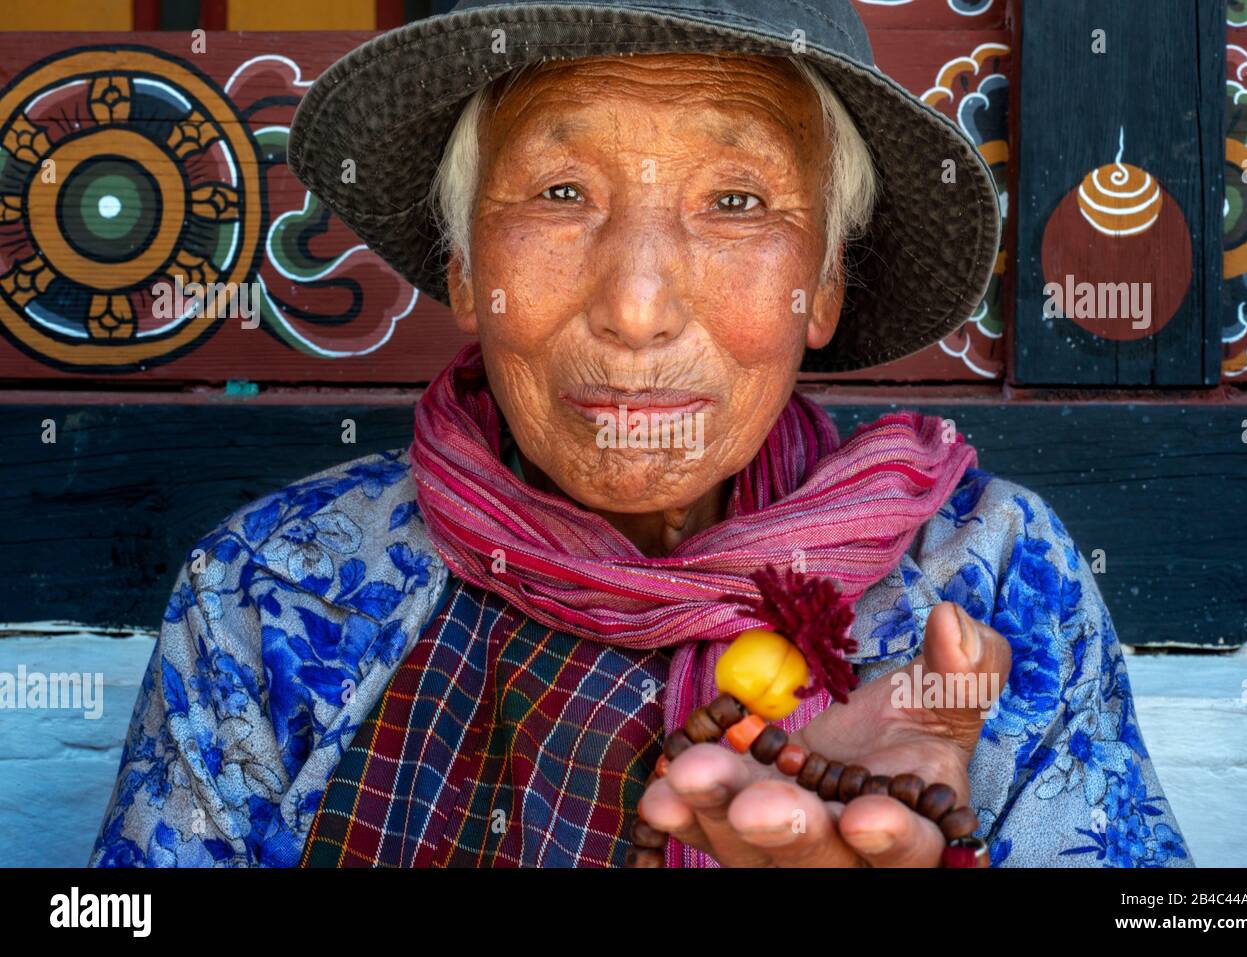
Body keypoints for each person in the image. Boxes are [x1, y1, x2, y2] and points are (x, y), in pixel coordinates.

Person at [89, 0, 1190, 868]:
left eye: (738, 204)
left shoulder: (990, 577)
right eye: (560, 191)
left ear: (824, 284)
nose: (636, 307)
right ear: (466, 268)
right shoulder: (271, 589)